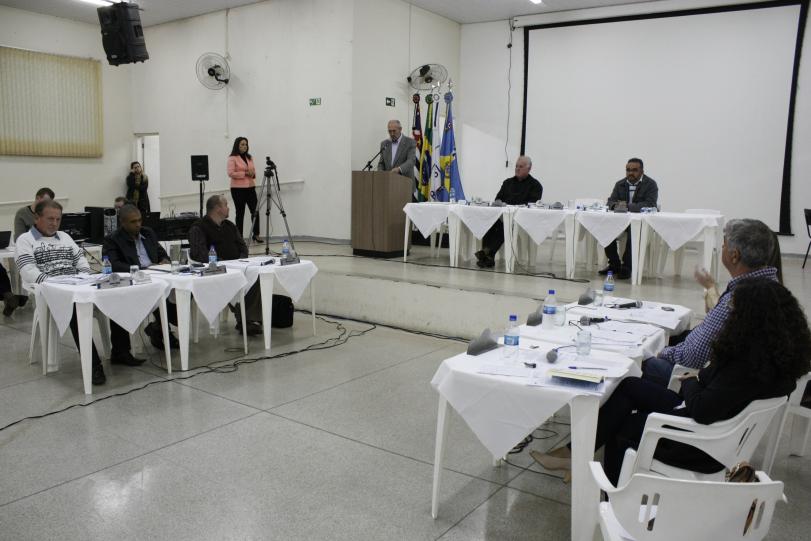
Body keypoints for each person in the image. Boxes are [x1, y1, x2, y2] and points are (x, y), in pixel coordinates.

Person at [531, 278, 811, 485]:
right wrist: (698, 380)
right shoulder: (775, 358)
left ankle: (612, 500)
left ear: (750, 319)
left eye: (734, 311)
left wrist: (692, 380)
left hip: (702, 441)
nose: (730, 317)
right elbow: (712, 394)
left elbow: (701, 408)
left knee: (626, 426)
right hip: (716, 424)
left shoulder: (746, 366)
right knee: (629, 385)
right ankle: (574, 455)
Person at [642, 219, 779, 386]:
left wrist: (661, 352)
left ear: (734, 255)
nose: (722, 247)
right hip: (741, 376)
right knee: (676, 335)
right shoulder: (773, 287)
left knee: (636, 364)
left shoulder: (738, 299)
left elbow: (693, 357)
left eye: (724, 245)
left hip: (698, 380)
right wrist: (711, 287)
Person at [15, 200, 107, 385]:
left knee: (113, 294)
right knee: (76, 308)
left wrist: (85, 278)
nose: (54, 223)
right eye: (50, 219)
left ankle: (121, 351)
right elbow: (28, 271)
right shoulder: (25, 240)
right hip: (50, 289)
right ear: (36, 218)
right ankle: (94, 365)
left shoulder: (65, 237)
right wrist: (56, 284)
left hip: (76, 285)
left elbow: (81, 262)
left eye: (58, 219)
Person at [102, 204, 180, 361]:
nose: (138, 224)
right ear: (123, 223)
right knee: (119, 299)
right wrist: (141, 269)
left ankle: (160, 329)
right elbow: (114, 265)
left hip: (157, 277)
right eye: (133, 222)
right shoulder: (112, 240)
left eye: (139, 220)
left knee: (176, 291)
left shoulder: (148, 233)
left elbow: (162, 254)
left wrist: (164, 261)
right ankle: (121, 351)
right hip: (134, 281)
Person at [188, 195, 262, 335]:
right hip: (215, 270)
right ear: (217, 208)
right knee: (233, 278)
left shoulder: (229, 226)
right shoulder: (198, 227)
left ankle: (250, 318)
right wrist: (223, 264)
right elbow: (199, 254)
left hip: (237, 266)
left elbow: (243, 247)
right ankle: (244, 319)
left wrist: (240, 261)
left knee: (254, 274)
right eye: (226, 205)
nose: (228, 208)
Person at [474, 156, 542, 268]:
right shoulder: (507, 183)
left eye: (521, 167)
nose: (517, 169)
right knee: (489, 221)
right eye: (516, 166)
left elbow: (531, 205)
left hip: (521, 220)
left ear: (529, 169)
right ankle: (488, 257)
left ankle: (486, 252)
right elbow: (498, 199)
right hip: (503, 216)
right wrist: (500, 203)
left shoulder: (536, 186)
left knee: (506, 224)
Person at [599, 158, 658, 279]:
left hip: (641, 223)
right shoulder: (620, 184)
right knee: (605, 228)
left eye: (634, 170)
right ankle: (614, 264)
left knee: (633, 230)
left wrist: (626, 206)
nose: (630, 173)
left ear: (642, 171)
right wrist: (616, 205)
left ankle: (627, 267)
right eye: (628, 170)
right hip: (621, 221)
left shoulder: (650, 184)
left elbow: (650, 204)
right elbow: (610, 202)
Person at [227, 136, 261, 242]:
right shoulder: (232, 158)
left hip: (250, 187)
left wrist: (252, 173)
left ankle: (256, 234)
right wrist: (245, 173)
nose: (245, 146)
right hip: (238, 189)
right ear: (237, 145)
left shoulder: (249, 157)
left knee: (255, 211)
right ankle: (239, 237)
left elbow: (253, 171)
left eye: (246, 144)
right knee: (240, 213)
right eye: (242, 144)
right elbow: (230, 173)